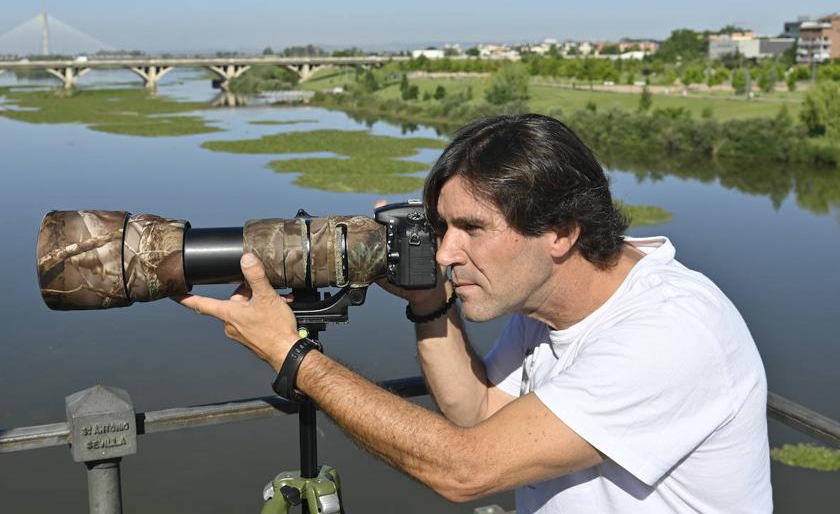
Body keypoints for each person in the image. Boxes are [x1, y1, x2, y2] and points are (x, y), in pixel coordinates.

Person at [177, 113, 772, 513]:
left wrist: (293, 356)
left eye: (471, 229)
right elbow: (478, 413)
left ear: (561, 231)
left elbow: (466, 468)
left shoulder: (669, 334)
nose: (442, 252)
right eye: (440, 228)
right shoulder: (547, 301)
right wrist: (430, 305)